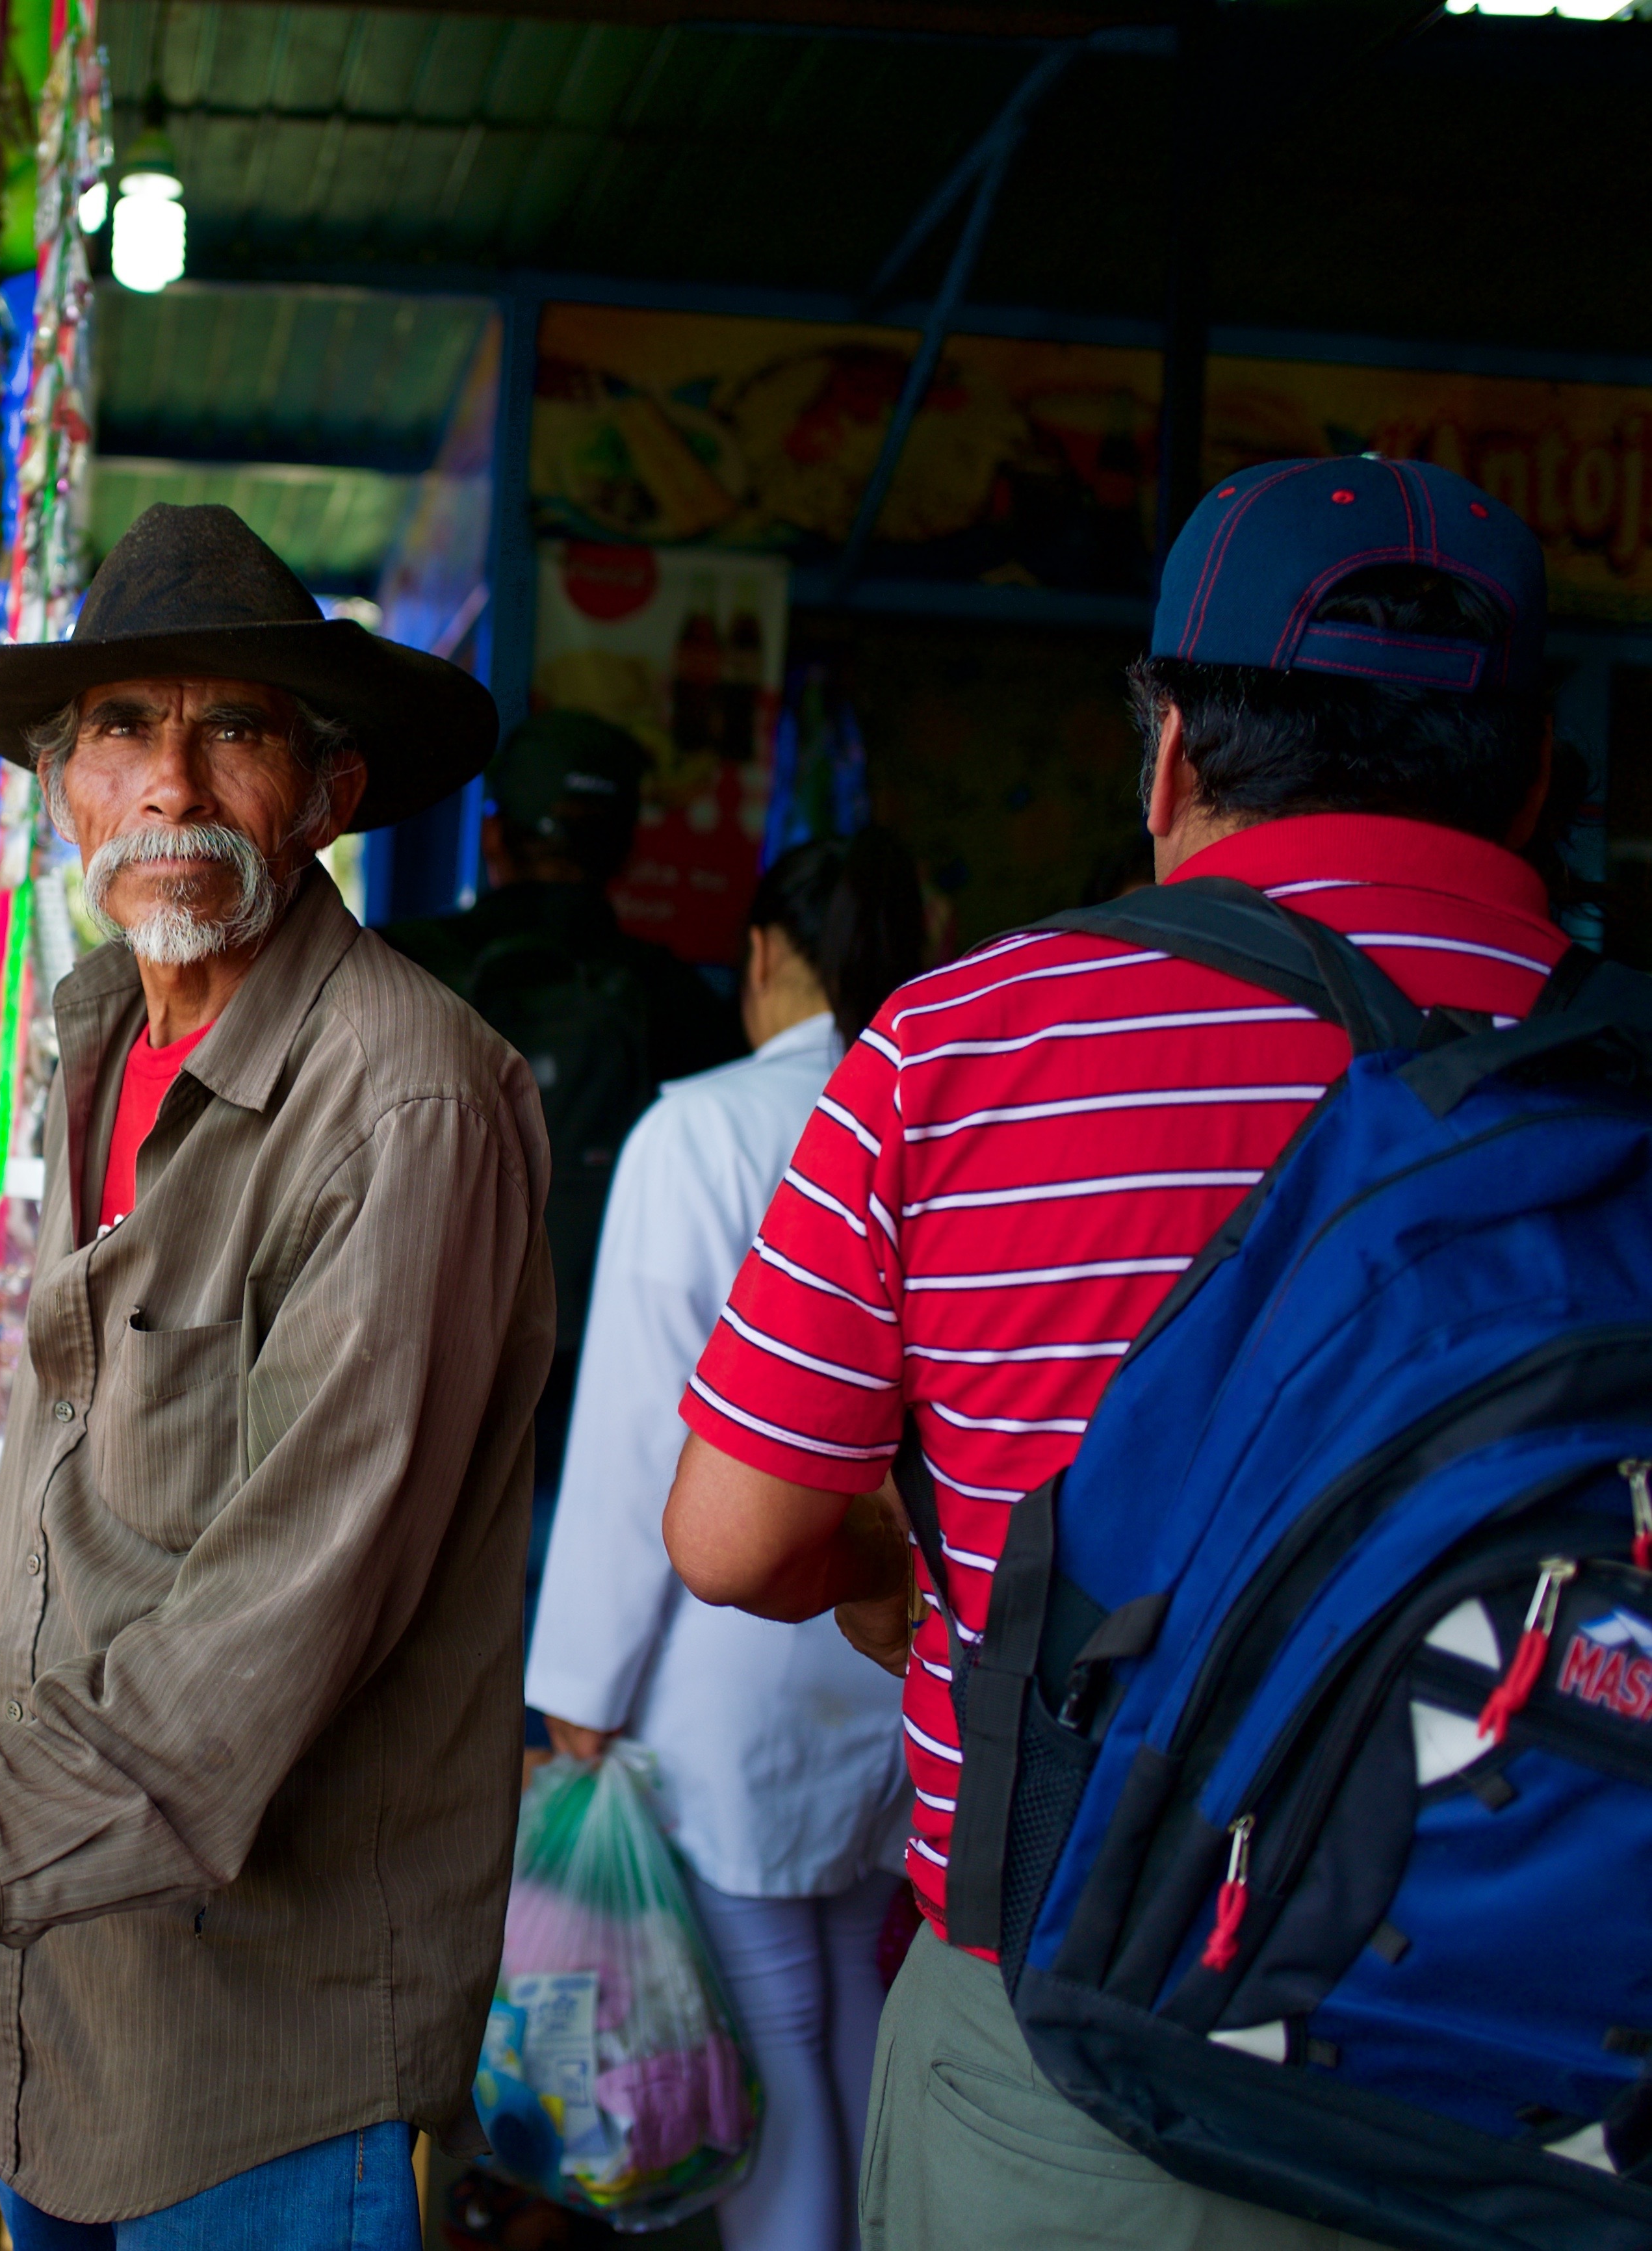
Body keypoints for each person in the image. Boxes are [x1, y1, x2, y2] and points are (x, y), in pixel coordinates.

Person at [658, 456, 1566, 2250]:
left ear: (1166, 756)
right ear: (1533, 772)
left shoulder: (958, 1047)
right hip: (1551, 2067)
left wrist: (902, 1567)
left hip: (1074, 2054)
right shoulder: (1611, 1062)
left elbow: (733, 1535)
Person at [0, 502, 552, 2244]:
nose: (169, 783)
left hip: (264, 2065)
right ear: (58, 785)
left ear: (326, 790)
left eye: (233, 729)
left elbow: (271, 1619)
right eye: (119, 729)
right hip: (66, 2018)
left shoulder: (404, 1102)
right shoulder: (98, 1030)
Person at [525, 826, 926, 2251]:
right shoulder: (932, 1110)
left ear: (761, 957)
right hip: (893, 1645)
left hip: (728, 1648)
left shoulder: (698, 1129)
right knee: (854, 1982)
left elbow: (643, 1428)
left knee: (767, 2015)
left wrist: (580, 1678)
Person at [385, 709, 745, 1399]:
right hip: (603, 1373)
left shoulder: (396, 967)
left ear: (493, 836)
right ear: (625, 853)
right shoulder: (680, 1000)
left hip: (417, 1354)